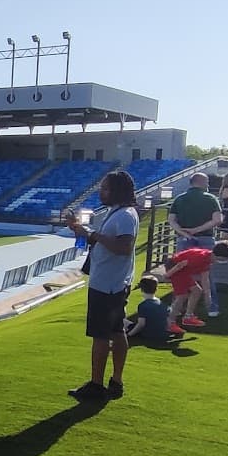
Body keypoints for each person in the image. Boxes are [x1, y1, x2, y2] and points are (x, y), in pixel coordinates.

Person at [64, 170, 139, 400]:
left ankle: (96, 385)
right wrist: (82, 232)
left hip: (108, 285)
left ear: (116, 190)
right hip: (112, 282)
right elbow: (108, 243)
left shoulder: (125, 215)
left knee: (100, 335)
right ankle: (116, 382)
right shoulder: (117, 213)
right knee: (117, 331)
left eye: (105, 188)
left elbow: (123, 247)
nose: (101, 191)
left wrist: (94, 235)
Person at [168, 172, 223, 316]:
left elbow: (171, 220)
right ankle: (212, 307)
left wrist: (184, 232)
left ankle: (177, 307)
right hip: (205, 239)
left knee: (180, 274)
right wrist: (197, 230)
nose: (208, 185)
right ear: (201, 182)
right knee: (207, 274)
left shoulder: (179, 199)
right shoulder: (211, 198)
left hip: (183, 240)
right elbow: (217, 220)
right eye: (207, 182)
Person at [162, 240, 228, 329]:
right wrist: (167, 275)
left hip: (184, 271)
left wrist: (208, 296)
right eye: (226, 258)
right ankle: (170, 322)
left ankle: (188, 316)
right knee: (182, 296)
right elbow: (180, 265)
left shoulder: (208, 260)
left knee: (197, 291)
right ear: (220, 256)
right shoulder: (201, 257)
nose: (226, 261)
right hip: (175, 268)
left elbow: (205, 279)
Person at [125, 276, 172, 345]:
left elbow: (141, 324)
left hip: (148, 334)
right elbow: (168, 321)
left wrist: (129, 335)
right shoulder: (162, 303)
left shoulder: (143, 305)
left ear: (141, 289)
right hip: (162, 334)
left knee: (122, 321)